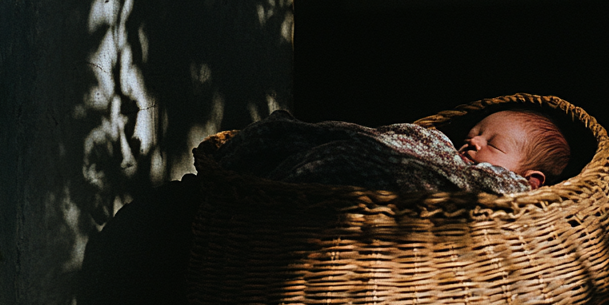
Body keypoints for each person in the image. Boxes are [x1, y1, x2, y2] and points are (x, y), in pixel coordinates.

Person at [210, 107, 571, 195]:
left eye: (493, 145)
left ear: (531, 180)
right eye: (475, 134)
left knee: (341, 158)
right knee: (301, 135)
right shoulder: (443, 148)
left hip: (361, 165)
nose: (473, 142)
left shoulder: (507, 186)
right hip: (379, 146)